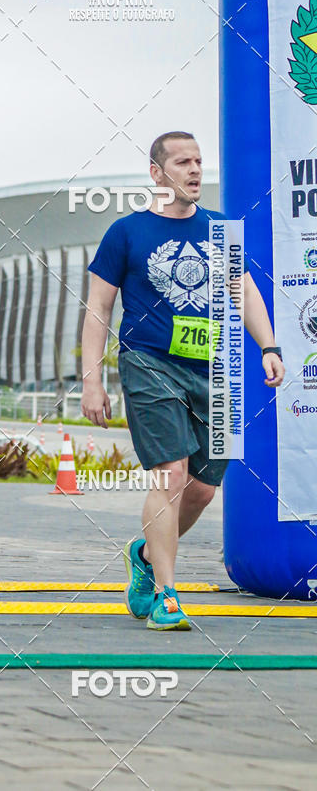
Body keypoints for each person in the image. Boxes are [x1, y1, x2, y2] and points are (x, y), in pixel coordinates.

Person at [81, 131, 285, 631]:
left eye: (198, 161)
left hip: (215, 371)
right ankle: (167, 596)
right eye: (182, 162)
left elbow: (244, 292)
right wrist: (92, 380)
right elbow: (98, 309)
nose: (194, 170)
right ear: (157, 173)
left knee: (202, 490)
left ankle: (145, 556)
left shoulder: (220, 230)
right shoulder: (126, 233)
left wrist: (269, 346)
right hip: (150, 363)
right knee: (170, 476)